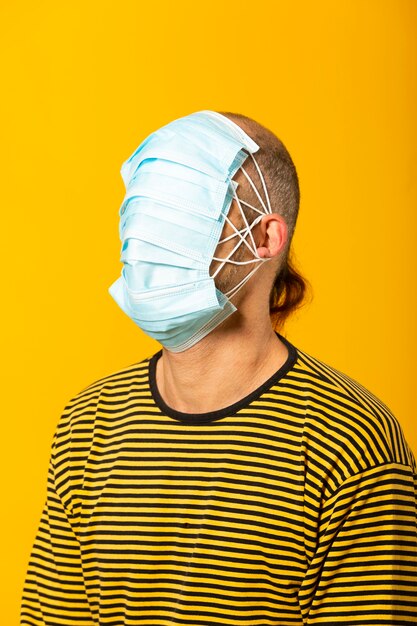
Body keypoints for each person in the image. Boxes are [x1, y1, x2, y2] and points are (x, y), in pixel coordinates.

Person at [20, 110, 417, 626]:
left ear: (266, 238)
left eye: (181, 207)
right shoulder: (88, 423)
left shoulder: (350, 443)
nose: (145, 235)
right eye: (143, 206)